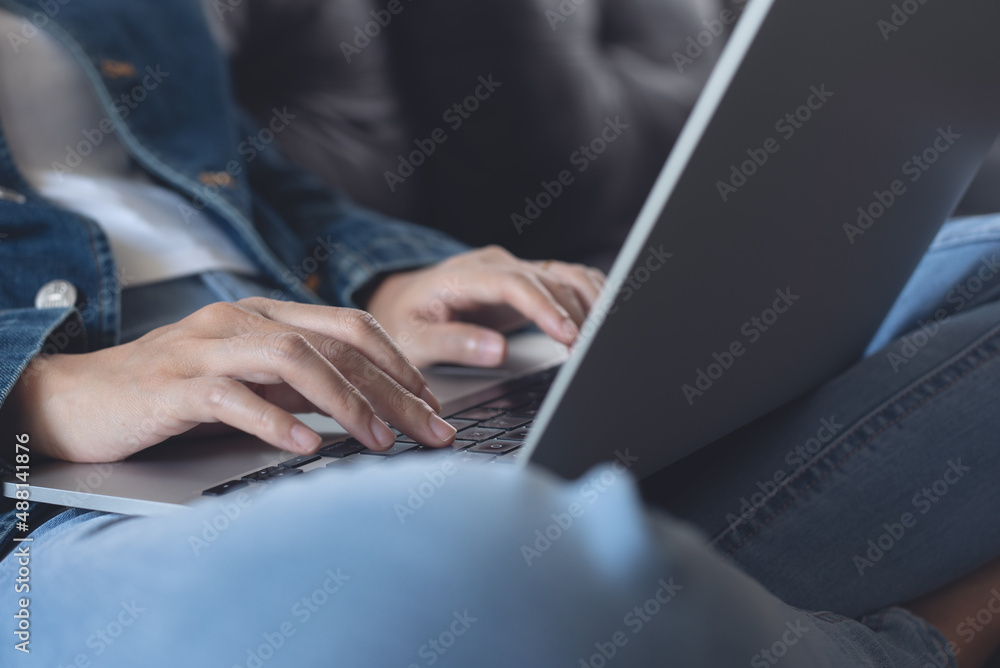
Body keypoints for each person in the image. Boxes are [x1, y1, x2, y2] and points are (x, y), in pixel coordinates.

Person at [1, 1, 999, 666]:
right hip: (43, 515)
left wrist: (383, 277)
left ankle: (640, 594)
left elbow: (252, 188)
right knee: (467, 547)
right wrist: (39, 394)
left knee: (983, 254)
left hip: (308, 381)